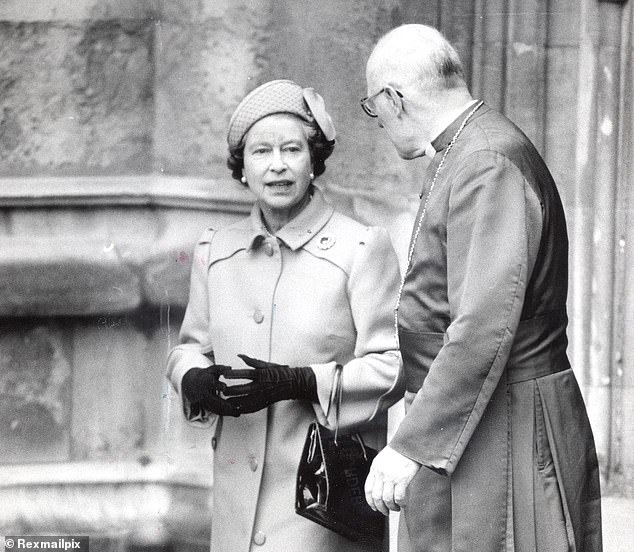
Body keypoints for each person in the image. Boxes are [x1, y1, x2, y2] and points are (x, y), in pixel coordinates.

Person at [361, 24, 602, 552]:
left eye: (371, 107)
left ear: (393, 99)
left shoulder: (484, 160)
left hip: (507, 419)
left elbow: (482, 327)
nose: (376, 121)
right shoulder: (468, 148)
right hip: (476, 413)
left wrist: (411, 445)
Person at [166, 79, 403, 552]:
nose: (277, 165)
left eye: (292, 149)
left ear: (314, 162)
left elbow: (393, 365)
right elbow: (190, 346)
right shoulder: (216, 250)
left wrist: (300, 381)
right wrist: (192, 379)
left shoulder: (361, 248)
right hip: (235, 499)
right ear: (242, 169)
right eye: (261, 152)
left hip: (320, 502)